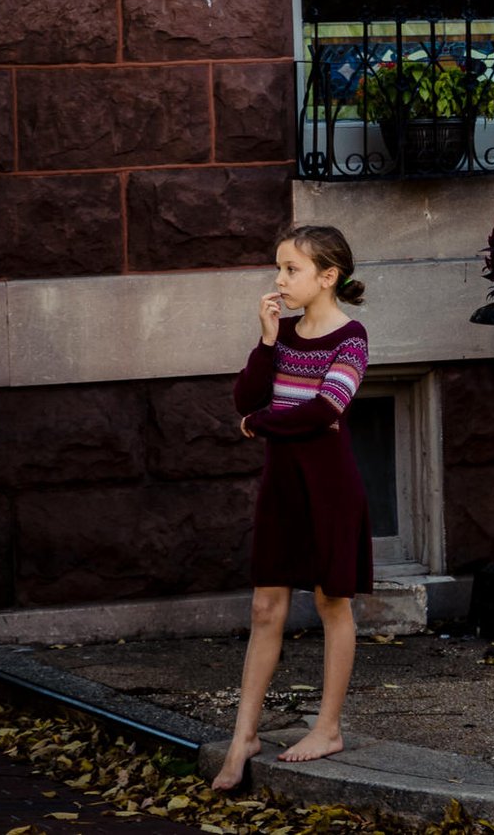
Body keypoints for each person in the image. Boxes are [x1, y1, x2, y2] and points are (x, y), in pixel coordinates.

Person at [211, 225, 373, 792]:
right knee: (264, 608)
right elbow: (245, 396)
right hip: (282, 483)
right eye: (278, 267)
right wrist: (264, 340)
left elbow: (323, 410)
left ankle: (328, 728)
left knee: (333, 602)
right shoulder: (282, 333)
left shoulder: (352, 339)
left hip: (329, 485)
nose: (279, 280)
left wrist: (259, 424)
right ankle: (243, 737)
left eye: (291, 269)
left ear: (328, 277)